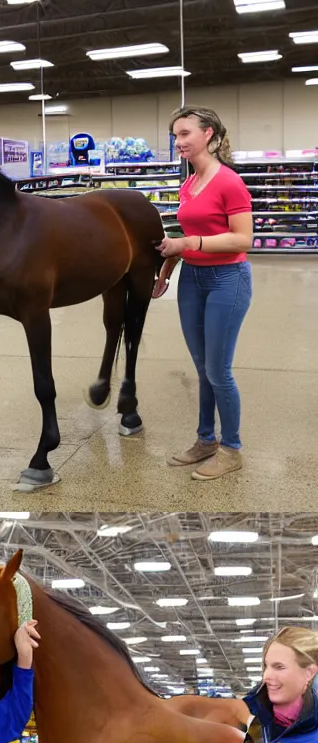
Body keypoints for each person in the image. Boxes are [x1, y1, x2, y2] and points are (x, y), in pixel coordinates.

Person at [154, 105, 254, 482]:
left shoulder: (228, 181)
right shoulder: (188, 184)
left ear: (208, 134)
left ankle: (232, 449)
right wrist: (166, 271)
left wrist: (189, 241)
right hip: (192, 281)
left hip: (229, 279)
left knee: (218, 370)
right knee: (202, 369)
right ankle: (205, 440)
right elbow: (183, 245)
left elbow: (243, 238)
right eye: (175, 136)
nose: (178, 142)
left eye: (184, 134)